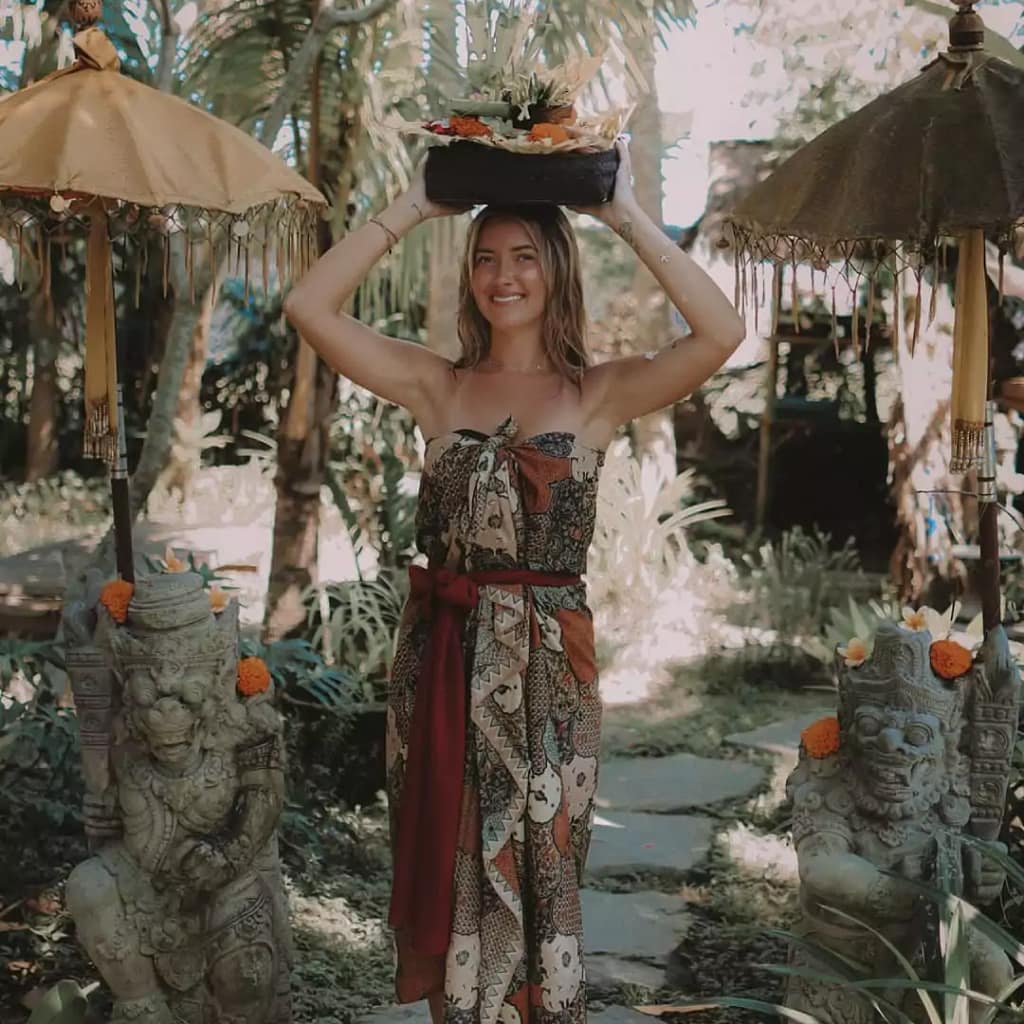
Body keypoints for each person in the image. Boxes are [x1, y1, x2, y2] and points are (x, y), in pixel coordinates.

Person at [284, 138, 745, 1024]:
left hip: (547, 675)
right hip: (445, 663)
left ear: (556, 270)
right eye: (487, 258)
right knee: (452, 865)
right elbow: (309, 303)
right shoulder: (435, 385)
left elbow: (722, 333)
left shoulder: (597, 395)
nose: (504, 276)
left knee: (542, 868)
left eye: (525, 256)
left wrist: (622, 214)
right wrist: (414, 206)